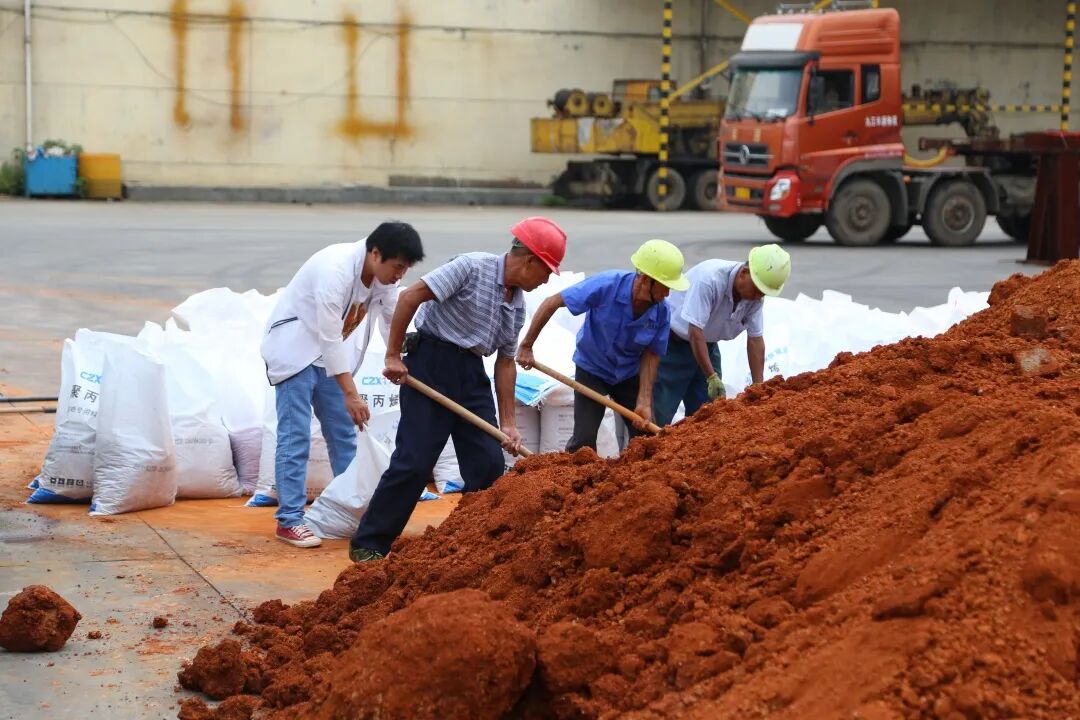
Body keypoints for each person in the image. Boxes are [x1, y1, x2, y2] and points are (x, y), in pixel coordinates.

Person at [348, 216, 568, 562]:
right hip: (431, 362)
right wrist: (393, 355)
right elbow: (410, 297)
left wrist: (508, 424)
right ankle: (370, 542)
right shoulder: (471, 267)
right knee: (415, 461)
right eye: (546, 272)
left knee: (488, 465)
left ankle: (481, 541)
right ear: (530, 261)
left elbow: (505, 363)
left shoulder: (516, 306)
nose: (545, 280)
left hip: (471, 374)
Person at [261, 221, 425, 548]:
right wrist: (351, 393)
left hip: (328, 359)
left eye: (405, 269)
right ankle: (290, 520)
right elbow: (329, 336)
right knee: (295, 437)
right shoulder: (334, 270)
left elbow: (392, 320)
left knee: (344, 435)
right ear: (375, 253)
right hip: (296, 350)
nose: (399, 276)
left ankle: (351, 509)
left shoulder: (382, 277)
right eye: (396, 267)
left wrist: (400, 358)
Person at [516, 239, 688, 452]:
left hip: (628, 375)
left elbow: (652, 355)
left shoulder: (661, 311)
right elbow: (552, 302)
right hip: (592, 370)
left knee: (645, 438)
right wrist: (526, 346)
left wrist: (643, 400)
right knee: (584, 440)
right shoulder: (607, 285)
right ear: (645, 279)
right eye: (665, 287)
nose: (667, 294)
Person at [653, 244, 791, 426]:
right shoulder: (709, 279)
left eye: (763, 293)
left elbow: (756, 340)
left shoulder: (755, 297)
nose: (759, 297)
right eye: (757, 290)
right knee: (659, 412)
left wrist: (759, 386)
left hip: (707, 346)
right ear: (743, 273)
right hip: (673, 347)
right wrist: (711, 376)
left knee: (709, 415)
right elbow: (695, 332)